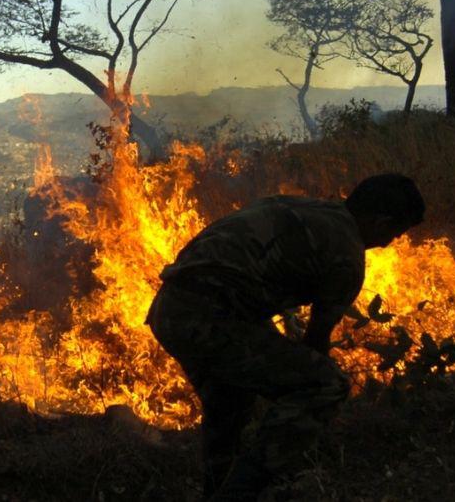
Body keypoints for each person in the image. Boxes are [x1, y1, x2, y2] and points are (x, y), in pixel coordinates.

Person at [146, 174, 425, 501]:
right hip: (211, 317)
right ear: (381, 222)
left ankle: (218, 489)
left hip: (170, 308)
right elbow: (316, 343)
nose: (389, 243)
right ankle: (239, 493)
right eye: (395, 233)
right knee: (326, 385)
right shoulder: (347, 256)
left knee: (231, 399)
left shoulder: (304, 206)